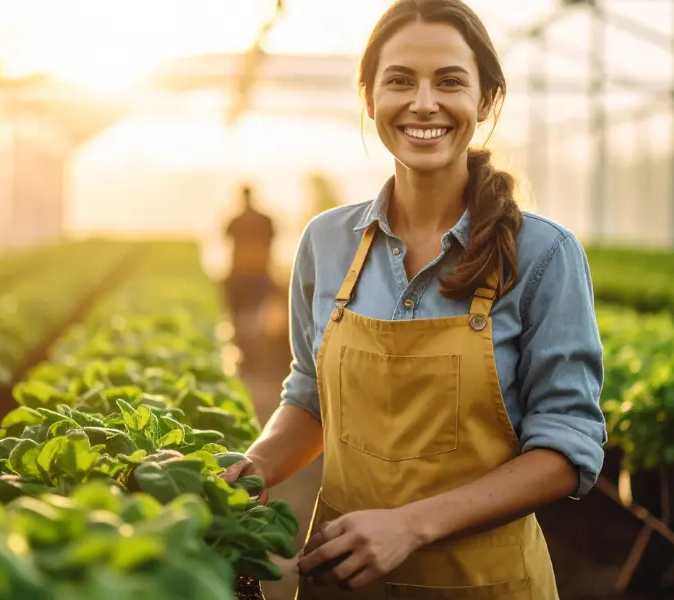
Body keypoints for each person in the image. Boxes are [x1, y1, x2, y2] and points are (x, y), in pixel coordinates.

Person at [221, 1, 606, 598]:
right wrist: (255, 468)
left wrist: (412, 525)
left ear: (485, 102)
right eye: (399, 80)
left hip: (488, 582)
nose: (423, 102)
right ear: (370, 99)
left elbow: (566, 446)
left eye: (449, 81)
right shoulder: (326, 242)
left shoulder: (545, 255)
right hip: (342, 578)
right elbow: (309, 398)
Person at [223, 185, 276, 345]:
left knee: (239, 311)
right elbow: (271, 241)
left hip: (240, 271)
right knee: (255, 309)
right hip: (259, 271)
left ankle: (243, 343)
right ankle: (251, 344)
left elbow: (227, 240)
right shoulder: (265, 220)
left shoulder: (235, 220)